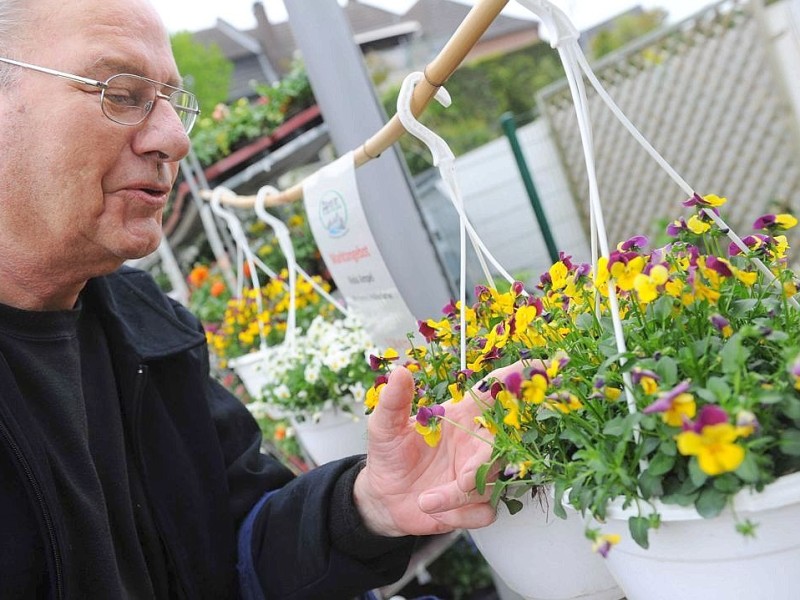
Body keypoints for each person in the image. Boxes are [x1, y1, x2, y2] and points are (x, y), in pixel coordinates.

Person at [0, 0, 511, 598]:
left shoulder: (148, 330)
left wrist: (367, 504)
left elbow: (238, 545)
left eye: (171, 100)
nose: (173, 140)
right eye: (121, 91)